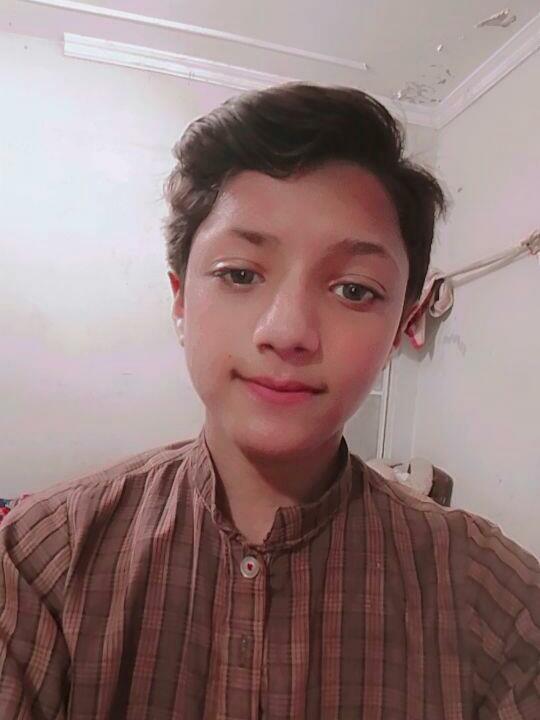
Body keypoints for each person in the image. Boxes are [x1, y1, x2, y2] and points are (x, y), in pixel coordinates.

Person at [0, 83, 538, 719]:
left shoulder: (493, 600)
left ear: (402, 327)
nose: (287, 331)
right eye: (240, 274)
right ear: (180, 301)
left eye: (354, 290)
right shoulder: (41, 561)